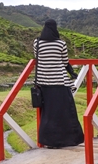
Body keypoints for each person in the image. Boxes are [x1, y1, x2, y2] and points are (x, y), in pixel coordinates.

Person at [34, 19, 85, 148]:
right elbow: (64, 61)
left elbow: (37, 58)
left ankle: (49, 141)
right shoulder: (60, 44)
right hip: (59, 81)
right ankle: (68, 139)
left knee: (48, 113)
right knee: (65, 111)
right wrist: (72, 73)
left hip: (44, 82)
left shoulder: (37, 43)